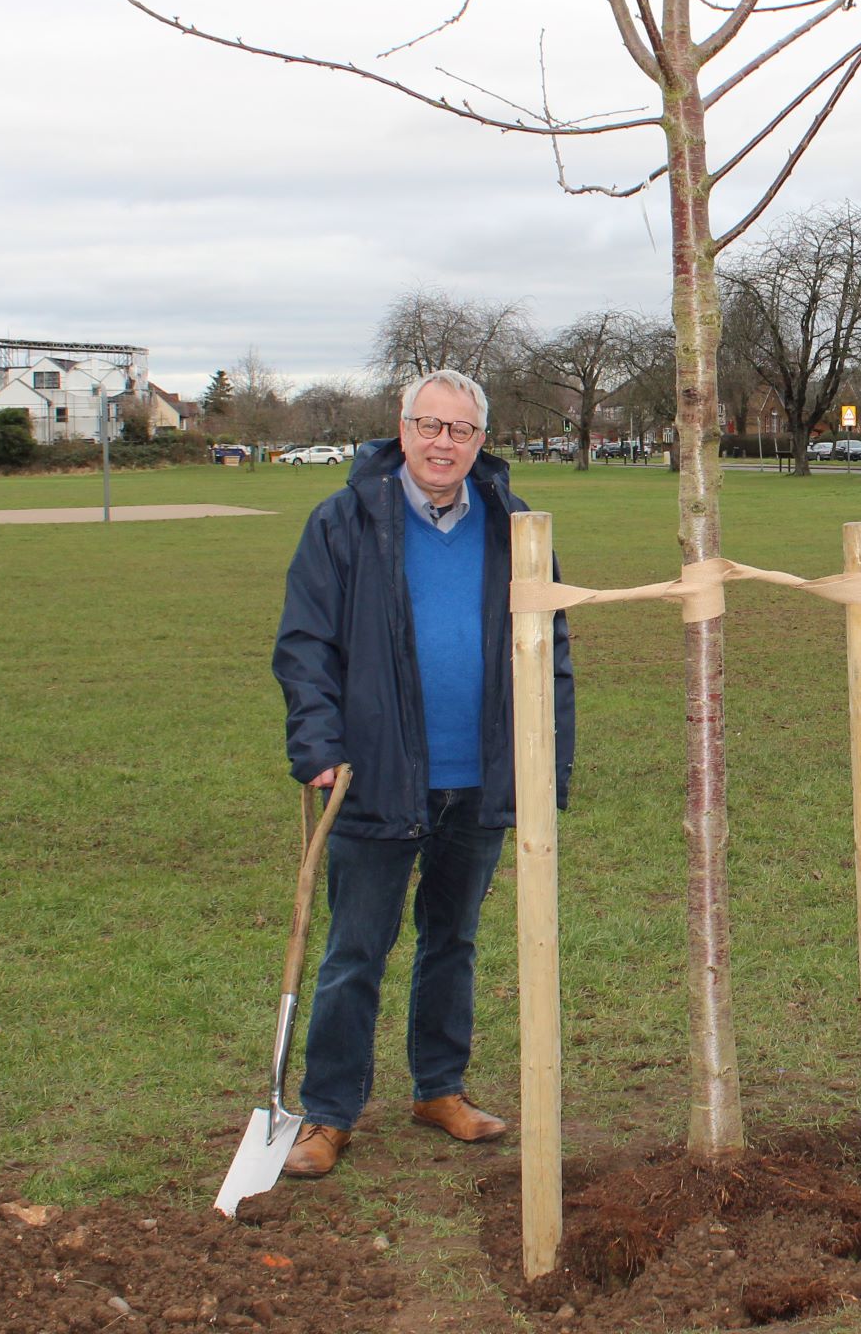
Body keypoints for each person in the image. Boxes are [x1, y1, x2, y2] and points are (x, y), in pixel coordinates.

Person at [271, 368, 574, 1177]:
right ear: (401, 431)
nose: (444, 444)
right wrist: (317, 746)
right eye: (430, 426)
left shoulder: (516, 528)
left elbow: (555, 657)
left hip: (478, 777)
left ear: (481, 441)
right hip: (371, 776)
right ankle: (328, 1114)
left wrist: (547, 766)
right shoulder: (343, 523)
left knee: (453, 940)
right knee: (354, 951)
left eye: (461, 431)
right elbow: (305, 647)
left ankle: (437, 1087)